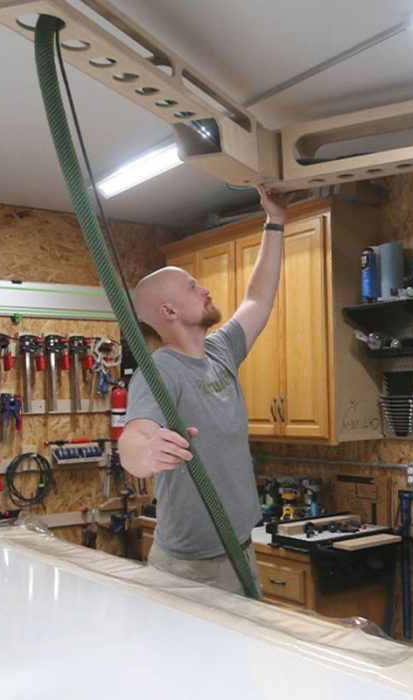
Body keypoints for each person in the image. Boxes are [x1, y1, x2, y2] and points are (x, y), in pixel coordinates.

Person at [119, 186, 294, 596]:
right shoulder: (159, 371)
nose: (205, 290)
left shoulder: (221, 351)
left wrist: (276, 221)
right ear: (169, 312)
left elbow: (258, 298)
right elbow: (133, 439)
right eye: (193, 287)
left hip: (240, 549)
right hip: (189, 568)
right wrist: (148, 452)